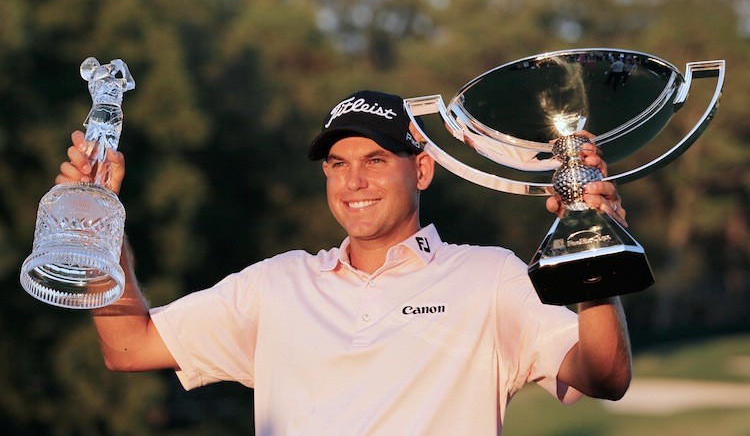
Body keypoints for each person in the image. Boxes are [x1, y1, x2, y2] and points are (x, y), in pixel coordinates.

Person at [57, 90, 632, 434]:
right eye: (337, 162)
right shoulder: (277, 283)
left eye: (376, 159)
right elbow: (127, 346)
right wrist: (98, 223)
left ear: (422, 171)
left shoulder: (490, 276)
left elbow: (604, 375)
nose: (353, 181)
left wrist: (595, 261)